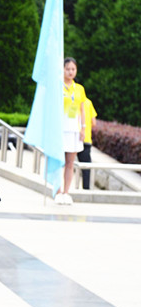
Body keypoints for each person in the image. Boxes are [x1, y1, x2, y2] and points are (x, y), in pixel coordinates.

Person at [58, 57, 86, 205]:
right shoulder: (58, 86)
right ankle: (57, 192)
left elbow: (82, 110)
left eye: (73, 69)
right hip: (60, 129)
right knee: (59, 162)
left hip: (74, 129)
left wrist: (83, 128)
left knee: (70, 163)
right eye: (67, 69)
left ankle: (66, 192)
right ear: (63, 69)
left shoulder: (79, 89)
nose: (70, 72)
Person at [77, 97, 97, 190]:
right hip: (86, 139)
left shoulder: (71, 99)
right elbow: (94, 122)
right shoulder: (88, 102)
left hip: (72, 138)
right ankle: (86, 189)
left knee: (68, 164)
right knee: (86, 167)